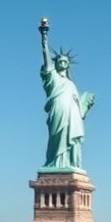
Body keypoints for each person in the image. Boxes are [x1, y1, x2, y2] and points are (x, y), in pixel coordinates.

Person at [39, 19, 95, 169]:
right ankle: (54, 164)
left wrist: (85, 105)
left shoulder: (71, 84)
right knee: (56, 138)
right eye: (59, 61)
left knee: (73, 140)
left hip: (72, 115)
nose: (62, 63)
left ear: (68, 65)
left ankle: (70, 164)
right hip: (58, 111)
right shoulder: (52, 77)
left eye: (65, 61)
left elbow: (79, 108)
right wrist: (44, 37)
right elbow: (46, 57)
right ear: (56, 63)